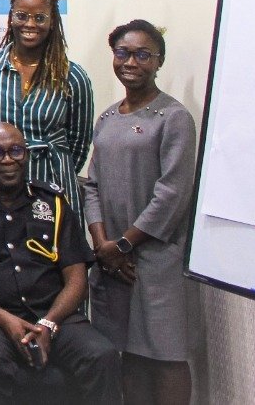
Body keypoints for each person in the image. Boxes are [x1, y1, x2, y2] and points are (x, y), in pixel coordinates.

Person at [0, 122, 120, 405]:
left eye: (16, 151)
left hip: (53, 314)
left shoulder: (53, 203)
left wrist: (49, 323)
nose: (8, 160)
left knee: (101, 354)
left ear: (27, 155)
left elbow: (76, 277)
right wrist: (3, 319)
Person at [85, 20, 197, 404]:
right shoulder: (108, 118)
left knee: (165, 355)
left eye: (142, 54)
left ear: (158, 61)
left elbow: (172, 193)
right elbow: (93, 185)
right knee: (128, 352)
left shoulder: (173, 117)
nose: (131, 61)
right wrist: (102, 245)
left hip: (153, 259)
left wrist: (125, 245)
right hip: (112, 261)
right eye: (122, 53)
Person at [0, 0, 95, 220]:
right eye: (22, 15)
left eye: (39, 18)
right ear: (11, 18)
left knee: (55, 253)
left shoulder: (72, 77)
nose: (30, 24)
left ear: (52, 21)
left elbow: (79, 143)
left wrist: (59, 168)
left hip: (53, 182)